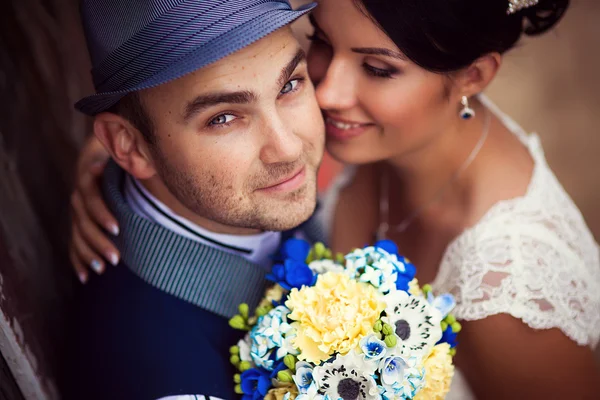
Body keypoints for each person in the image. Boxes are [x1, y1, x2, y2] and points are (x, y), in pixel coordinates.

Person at [70, 0, 600, 398]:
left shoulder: (512, 290)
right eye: (224, 118)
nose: (325, 98)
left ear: (473, 77)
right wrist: (117, 163)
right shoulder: (368, 137)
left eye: (290, 83)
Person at [64, 1, 325, 399]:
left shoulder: (239, 200)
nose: (287, 148)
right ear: (129, 145)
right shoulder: (159, 370)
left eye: (289, 85)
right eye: (222, 118)